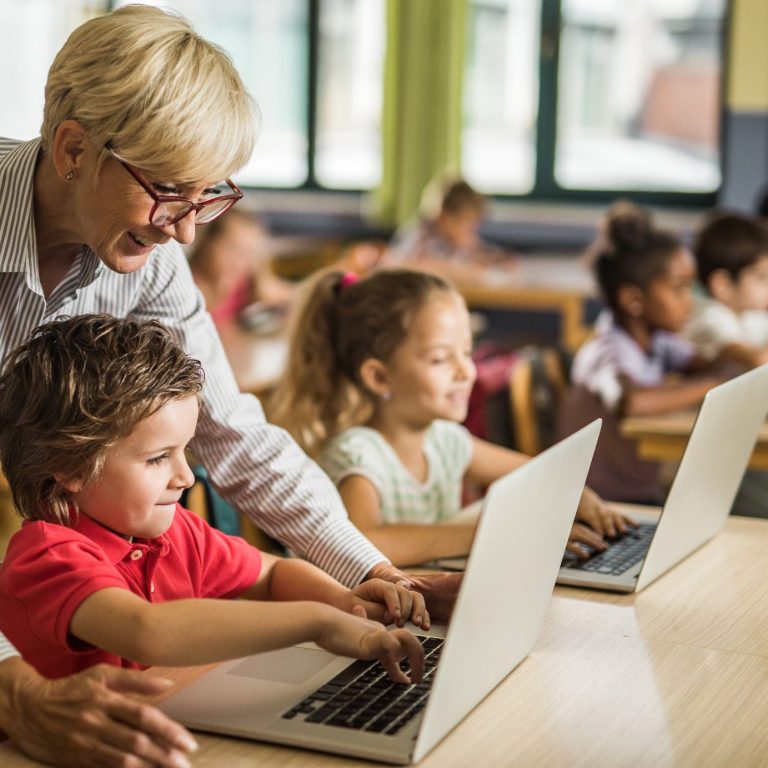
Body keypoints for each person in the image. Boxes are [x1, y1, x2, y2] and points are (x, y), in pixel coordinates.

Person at [0, 6, 455, 765]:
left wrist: (371, 571)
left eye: (209, 197)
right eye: (170, 190)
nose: (184, 230)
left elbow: (233, 430)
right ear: (74, 147)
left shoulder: (149, 258)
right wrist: (10, 689)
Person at [0, 315, 425, 685]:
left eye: (185, 450)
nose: (185, 476)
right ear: (69, 467)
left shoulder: (174, 532)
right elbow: (148, 631)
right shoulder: (47, 555)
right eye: (157, 459)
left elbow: (271, 575)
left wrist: (344, 603)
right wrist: (318, 622)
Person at [268, 268, 634, 567]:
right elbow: (365, 539)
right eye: (441, 359)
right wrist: (491, 533)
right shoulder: (357, 453)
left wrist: (581, 497)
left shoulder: (444, 438)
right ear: (379, 376)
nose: (466, 371)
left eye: (467, 352)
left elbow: (540, 473)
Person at [559, 202, 723, 503]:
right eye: (678, 289)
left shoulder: (658, 341)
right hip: (601, 502)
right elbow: (631, 401)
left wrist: (739, 353)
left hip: (640, 493)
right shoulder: (606, 350)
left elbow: (708, 363)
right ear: (633, 299)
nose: (689, 302)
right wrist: (710, 387)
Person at [384, 172, 515, 284]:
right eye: (467, 225)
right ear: (445, 218)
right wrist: (457, 270)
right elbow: (397, 268)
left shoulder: (452, 240)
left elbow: (488, 257)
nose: (471, 231)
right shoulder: (420, 234)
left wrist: (494, 260)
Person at [684, 211, 768, 368]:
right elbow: (758, 361)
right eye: (762, 277)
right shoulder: (710, 318)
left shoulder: (750, 316)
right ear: (723, 285)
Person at [187, 208, 295, 327]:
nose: (239, 262)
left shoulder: (243, 284)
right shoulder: (185, 285)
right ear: (207, 242)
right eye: (233, 248)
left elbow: (297, 298)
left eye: (249, 253)